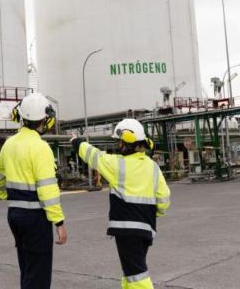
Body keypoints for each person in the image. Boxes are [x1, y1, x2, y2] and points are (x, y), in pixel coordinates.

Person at [71, 118, 170, 289]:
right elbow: (164, 198)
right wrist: (155, 213)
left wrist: (76, 141)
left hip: (126, 231)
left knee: (137, 275)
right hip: (146, 230)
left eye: (120, 142)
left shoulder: (117, 164)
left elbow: (93, 155)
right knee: (130, 272)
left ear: (127, 142)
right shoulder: (153, 167)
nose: (118, 146)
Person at [0, 92, 67, 289]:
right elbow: (48, 191)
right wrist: (59, 222)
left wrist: (6, 195)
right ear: (44, 120)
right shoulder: (40, 147)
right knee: (38, 274)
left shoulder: (9, 144)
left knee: (27, 268)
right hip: (36, 218)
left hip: (15, 215)